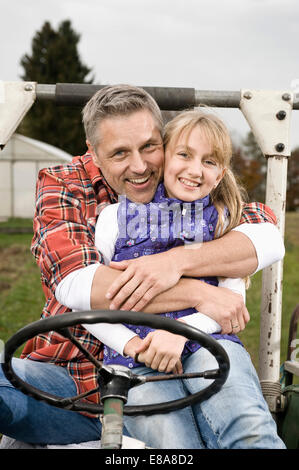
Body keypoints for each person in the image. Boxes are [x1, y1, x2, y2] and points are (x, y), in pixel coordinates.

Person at [0, 84, 285, 447]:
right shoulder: (68, 187)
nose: (139, 166)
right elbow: (80, 286)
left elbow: (264, 237)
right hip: (73, 375)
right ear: (94, 154)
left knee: (234, 425)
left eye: (149, 147)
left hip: (169, 366)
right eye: (120, 153)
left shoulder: (201, 194)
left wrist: (176, 261)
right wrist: (199, 293)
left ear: (165, 142)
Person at [86, 109, 248, 375]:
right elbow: (88, 304)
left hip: (206, 345)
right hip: (135, 360)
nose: (195, 170)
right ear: (164, 158)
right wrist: (136, 346)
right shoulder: (115, 218)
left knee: (243, 411)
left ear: (219, 175)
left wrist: (180, 334)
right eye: (184, 155)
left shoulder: (220, 220)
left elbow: (232, 302)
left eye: (209, 162)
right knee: (158, 416)